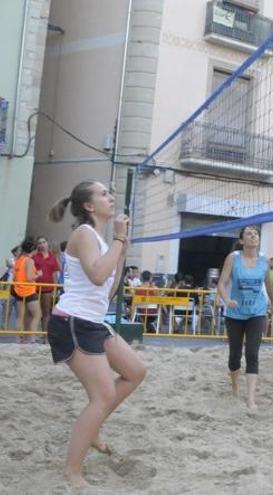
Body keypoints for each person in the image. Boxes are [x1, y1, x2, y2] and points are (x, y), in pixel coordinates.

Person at [45, 180, 145, 489]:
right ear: (89, 206)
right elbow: (97, 273)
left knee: (135, 371)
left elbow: (108, 289)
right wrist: (118, 238)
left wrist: (121, 249)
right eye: (103, 194)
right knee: (101, 396)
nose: (110, 197)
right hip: (72, 322)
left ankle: (95, 427)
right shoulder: (84, 234)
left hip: (93, 320)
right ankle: (72, 472)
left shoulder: (100, 240)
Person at [217, 225, 273, 409]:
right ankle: (235, 386)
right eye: (249, 234)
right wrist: (227, 299)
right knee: (235, 355)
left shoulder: (264, 261)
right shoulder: (233, 258)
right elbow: (221, 282)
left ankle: (251, 398)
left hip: (257, 312)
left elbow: (268, 285)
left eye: (256, 234)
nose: (253, 236)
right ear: (242, 240)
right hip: (235, 313)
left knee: (252, 353)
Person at [13, 238, 42, 344]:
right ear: (33, 249)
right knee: (37, 315)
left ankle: (19, 339)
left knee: (20, 316)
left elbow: (15, 277)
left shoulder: (19, 259)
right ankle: (31, 339)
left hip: (18, 290)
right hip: (28, 291)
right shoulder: (29, 261)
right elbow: (30, 277)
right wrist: (38, 274)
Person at [33, 236, 62, 335]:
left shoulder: (53, 257)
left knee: (46, 313)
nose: (42, 244)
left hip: (48, 289)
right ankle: (32, 335)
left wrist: (55, 288)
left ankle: (44, 335)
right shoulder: (34, 256)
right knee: (35, 313)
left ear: (47, 243)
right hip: (35, 288)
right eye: (39, 243)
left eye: (43, 242)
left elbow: (55, 273)